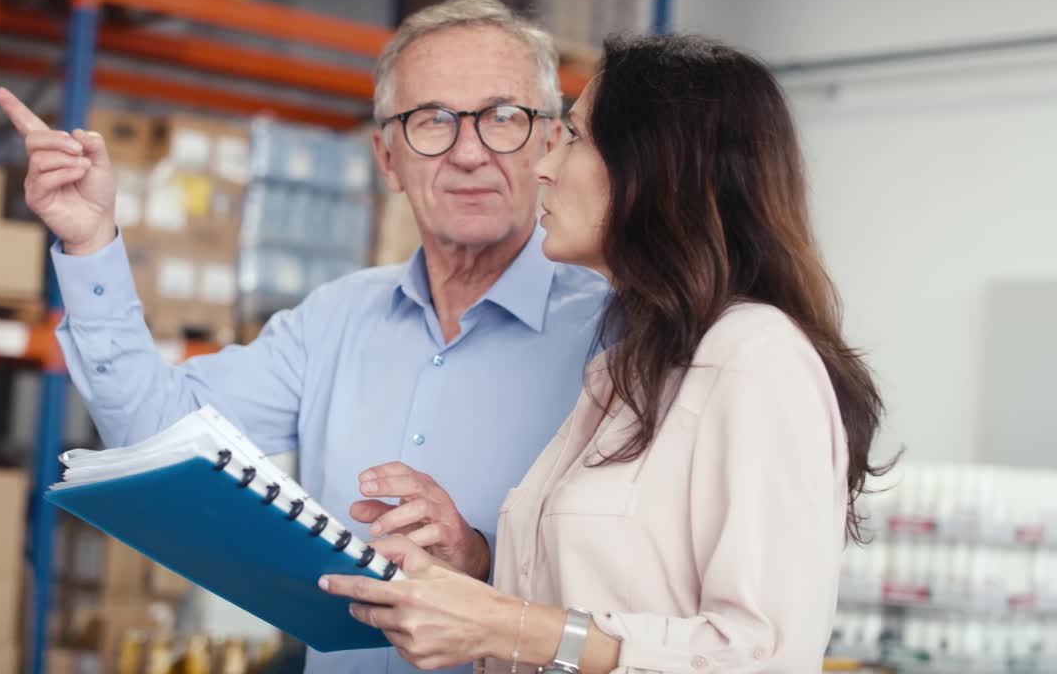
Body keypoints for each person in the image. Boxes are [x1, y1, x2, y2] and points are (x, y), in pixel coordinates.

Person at [0, 0, 607, 674]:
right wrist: (92, 243)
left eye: (502, 118)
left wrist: (485, 560)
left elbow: (650, 600)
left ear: (553, 142)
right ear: (386, 156)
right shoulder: (333, 321)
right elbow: (152, 436)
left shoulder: (622, 335)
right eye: (432, 121)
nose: (468, 152)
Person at [320, 34, 895, 673]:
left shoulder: (755, 357)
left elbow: (761, 657)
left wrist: (502, 624)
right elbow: (594, 600)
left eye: (574, 137)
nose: (543, 166)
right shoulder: (627, 367)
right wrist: (472, 569)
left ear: (656, 166)